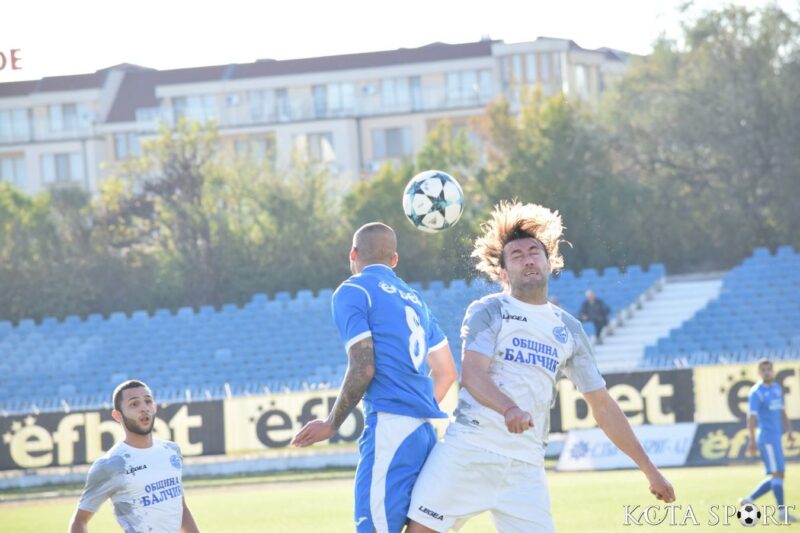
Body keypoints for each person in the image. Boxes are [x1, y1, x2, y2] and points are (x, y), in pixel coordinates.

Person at [406, 201, 675, 533]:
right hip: (469, 451)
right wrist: (508, 408)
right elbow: (472, 374)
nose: (528, 259)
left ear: (550, 263)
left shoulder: (569, 329)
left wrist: (649, 470)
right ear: (503, 273)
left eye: (535, 252)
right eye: (517, 256)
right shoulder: (489, 311)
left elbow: (603, 406)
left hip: (525, 468)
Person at [292, 222, 458, 533]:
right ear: (394, 259)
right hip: (424, 433)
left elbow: (363, 367)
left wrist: (331, 423)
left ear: (352, 254)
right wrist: (413, 405)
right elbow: (447, 372)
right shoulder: (416, 300)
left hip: (390, 433)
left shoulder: (353, 290)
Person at [68, 380, 200, 533]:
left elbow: (181, 508)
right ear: (117, 415)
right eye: (134, 404)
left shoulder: (171, 450)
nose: (144, 408)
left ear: (154, 407)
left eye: (148, 401)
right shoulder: (111, 465)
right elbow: (79, 521)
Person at [740, 359, 797, 522]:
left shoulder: (777, 389)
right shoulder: (756, 392)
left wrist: (789, 431)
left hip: (776, 438)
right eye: (763, 370)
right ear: (759, 373)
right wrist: (752, 441)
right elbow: (751, 417)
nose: (767, 372)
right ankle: (782, 512)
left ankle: (748, 500)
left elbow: (782, 411)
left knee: (779, 474)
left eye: (769, 369)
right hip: (766, 438)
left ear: (773, 371)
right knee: (777, 473)